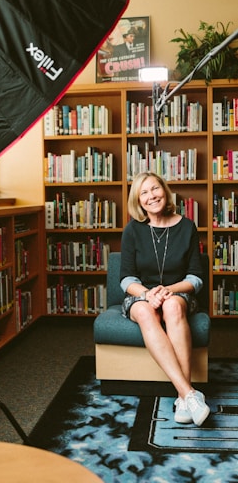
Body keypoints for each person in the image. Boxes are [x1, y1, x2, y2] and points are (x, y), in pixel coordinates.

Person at [120, 172, 210, 426]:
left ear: (165, 191)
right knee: (147, 311)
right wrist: (148, 294)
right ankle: (188, 393)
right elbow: (126, 279)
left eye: (155, 189)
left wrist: (166, 290)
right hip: (140, 295)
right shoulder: (132, 230)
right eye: (144, 193)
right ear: (138, 201)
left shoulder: (187, 226)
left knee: (171, 306)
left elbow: (195, 277)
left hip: (177, 292)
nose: (151, 196)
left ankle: (183, 399)